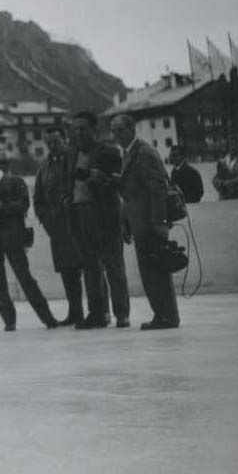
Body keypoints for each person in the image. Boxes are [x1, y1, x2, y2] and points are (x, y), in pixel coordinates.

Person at [0, 148, 58, 331]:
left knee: (25, 278)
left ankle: (47, 318)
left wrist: (3, 207)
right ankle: (9, 321)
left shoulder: (15, 181)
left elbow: (24, 204)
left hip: (13, 237)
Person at [111, 114, 180, 330]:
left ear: (132, 129)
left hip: (151, 223)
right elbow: (129, 194)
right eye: (113, 131)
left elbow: (159, 189)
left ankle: (167, 316)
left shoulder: (143, 153)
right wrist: (125, 222)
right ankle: (162, 314)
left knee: (157, 270)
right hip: (140, 223)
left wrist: (160, 223)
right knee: (149, 271)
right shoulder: (129, 154)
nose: (116, 135)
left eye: (120, 130)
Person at [66, 110, 127, 329]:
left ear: (94, 130)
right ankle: (97, 314)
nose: (78, 133)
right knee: (90, 268)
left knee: (113, 266)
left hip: (104, 214)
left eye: (83, 128)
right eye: (75, 129)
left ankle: (122, 314)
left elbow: (119, 183)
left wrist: (99, 179)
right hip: (80, 214)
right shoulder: (71, 154)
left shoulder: (109, 152)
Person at [33, 126, 86, 326]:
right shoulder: (44, 168)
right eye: (49, 143)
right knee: (67, 273)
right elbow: (38, 200)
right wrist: (47, 222)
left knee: (89, 271)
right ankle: (75, 313)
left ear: (65, 139)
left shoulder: (76, 159)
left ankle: (97, 312)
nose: (53, 146)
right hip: (58, 230)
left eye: (56, 142)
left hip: (79, 225)